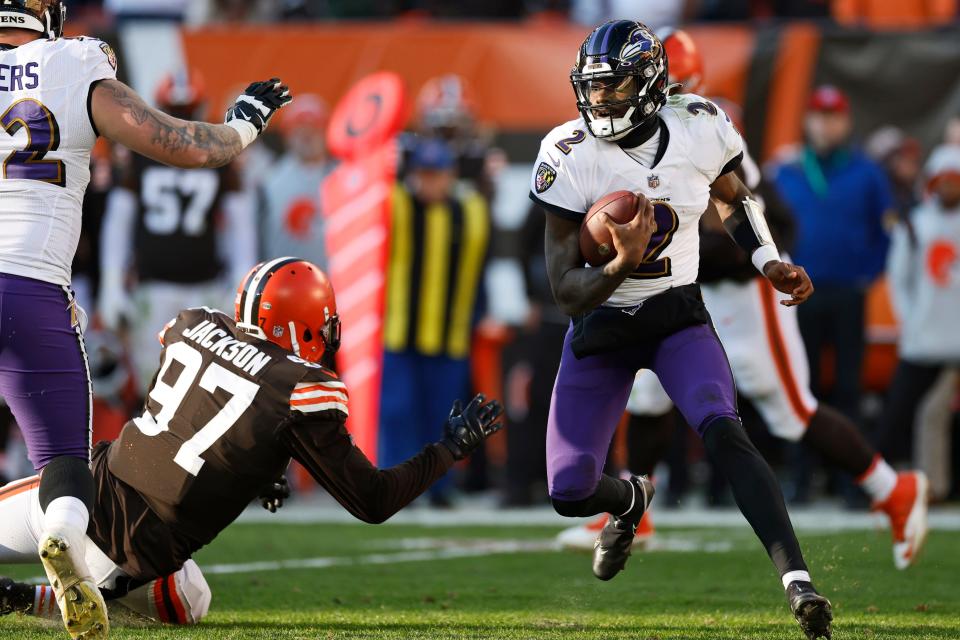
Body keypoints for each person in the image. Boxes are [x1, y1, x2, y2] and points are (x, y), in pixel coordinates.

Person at [558, 28, 929, 572]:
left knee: (791, 412)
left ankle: (892, 489)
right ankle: (636, 511)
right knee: (649, 395)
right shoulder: (608, 142)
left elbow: (761, 213)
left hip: (744, 295)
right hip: (683, 292)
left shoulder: (702, 126)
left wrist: (752, 258)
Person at [528, 21, 830, 639]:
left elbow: (733, 195)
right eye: (593, 89)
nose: (600, 101)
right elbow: (564, 292)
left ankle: (797, 581)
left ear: (648, 84)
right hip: (602, 330)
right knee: (569, 489)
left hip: (675, 319)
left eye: (614, 88)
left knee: (724, 430)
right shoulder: (569, 152)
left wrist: (766, 258)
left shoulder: (698, 124)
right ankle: (630, 500)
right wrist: (619, 262)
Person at [0, 258, 504, 627]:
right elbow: (372, 500)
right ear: (302, 324)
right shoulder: (302, 388)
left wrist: (260, 467)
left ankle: (46, 580)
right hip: (137, 556)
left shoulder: (193, 326)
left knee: (185, 591)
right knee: (191, 599)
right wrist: (448, 449)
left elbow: (184, 428)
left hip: (83, 495)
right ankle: (35, 599)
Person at [0, 3, 291, 637]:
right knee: (61, 459)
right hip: (30, 286)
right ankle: (63, 539)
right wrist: (243, 125)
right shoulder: (73, 62)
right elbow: (182, 146)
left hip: (58, 282)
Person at [98, 68, 257, 396]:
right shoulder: (216, 153)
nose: (182, 121)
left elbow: (240, 223)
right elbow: (119, 221)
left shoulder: (142, 153)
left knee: (204, 390)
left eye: (183, 113)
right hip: (161, 287)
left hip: (201, 287)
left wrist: (241, 280)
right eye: (176, 114)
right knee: (156, 388)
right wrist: (112, 282)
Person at [772, 85, 894, 425]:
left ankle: (848, 475)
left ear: (846, 122)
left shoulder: (867, 171)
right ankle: (802, 470)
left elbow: (886, 231)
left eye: (834, 117)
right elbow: (769, 227)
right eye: (819, 117)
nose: (826, 125)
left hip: (847, 291)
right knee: (801, 380)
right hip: (798, 292)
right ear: (808, 121)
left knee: (848, 382)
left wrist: (867, 274)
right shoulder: (787, 170)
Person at [379, 138, 491, 505]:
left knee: (444, 417)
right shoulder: (397, 204)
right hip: (399, 332)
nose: (430, 183)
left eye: (437, 175)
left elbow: (481, 268)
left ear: (451, 175)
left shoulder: (470, 209)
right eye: (423, 175)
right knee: (397, 412)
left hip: (450, 334)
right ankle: (394, 484)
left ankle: (439, 487)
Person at [879, 146, 960, 468]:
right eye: (943, 180)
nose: (948, 187)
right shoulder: (915, 225)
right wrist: (909, 321)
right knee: (899, 412)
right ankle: (871, 480)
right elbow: (898, 280)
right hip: (924, 338)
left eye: (954, 180)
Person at [259, 94, 333, 267]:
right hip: (284, 283)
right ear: (288, 134)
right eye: (300, 129)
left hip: (333, 285)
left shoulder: (342, 178)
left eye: (314, 129)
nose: (307, 136)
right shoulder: (269, 181)